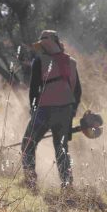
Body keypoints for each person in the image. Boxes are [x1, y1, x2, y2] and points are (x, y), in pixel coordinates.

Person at [21, 30, 82, 193]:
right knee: (62, 149)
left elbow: (34, 89)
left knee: (27, 144)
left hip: (44, 110)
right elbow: (77, 92)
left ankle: (31, 182)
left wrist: (34, 111)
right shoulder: (72, 62)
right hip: (65, 111)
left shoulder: (39, 61)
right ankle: (67, 185)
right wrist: (71, 113)